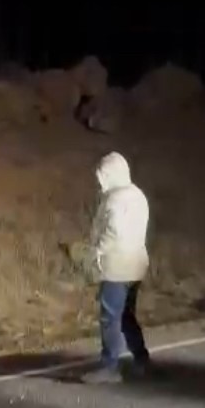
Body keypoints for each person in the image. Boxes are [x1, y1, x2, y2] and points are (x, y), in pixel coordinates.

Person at [82, 152, 151, 384]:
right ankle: (142, 360)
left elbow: (114, 232)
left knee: (110, 317)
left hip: (117, 266)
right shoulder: (138, 196)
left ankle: (110, 367)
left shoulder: (115, 199)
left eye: (102, 176)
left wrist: (97, 251)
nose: (99, 181)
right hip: (136, 265)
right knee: (126, 316)